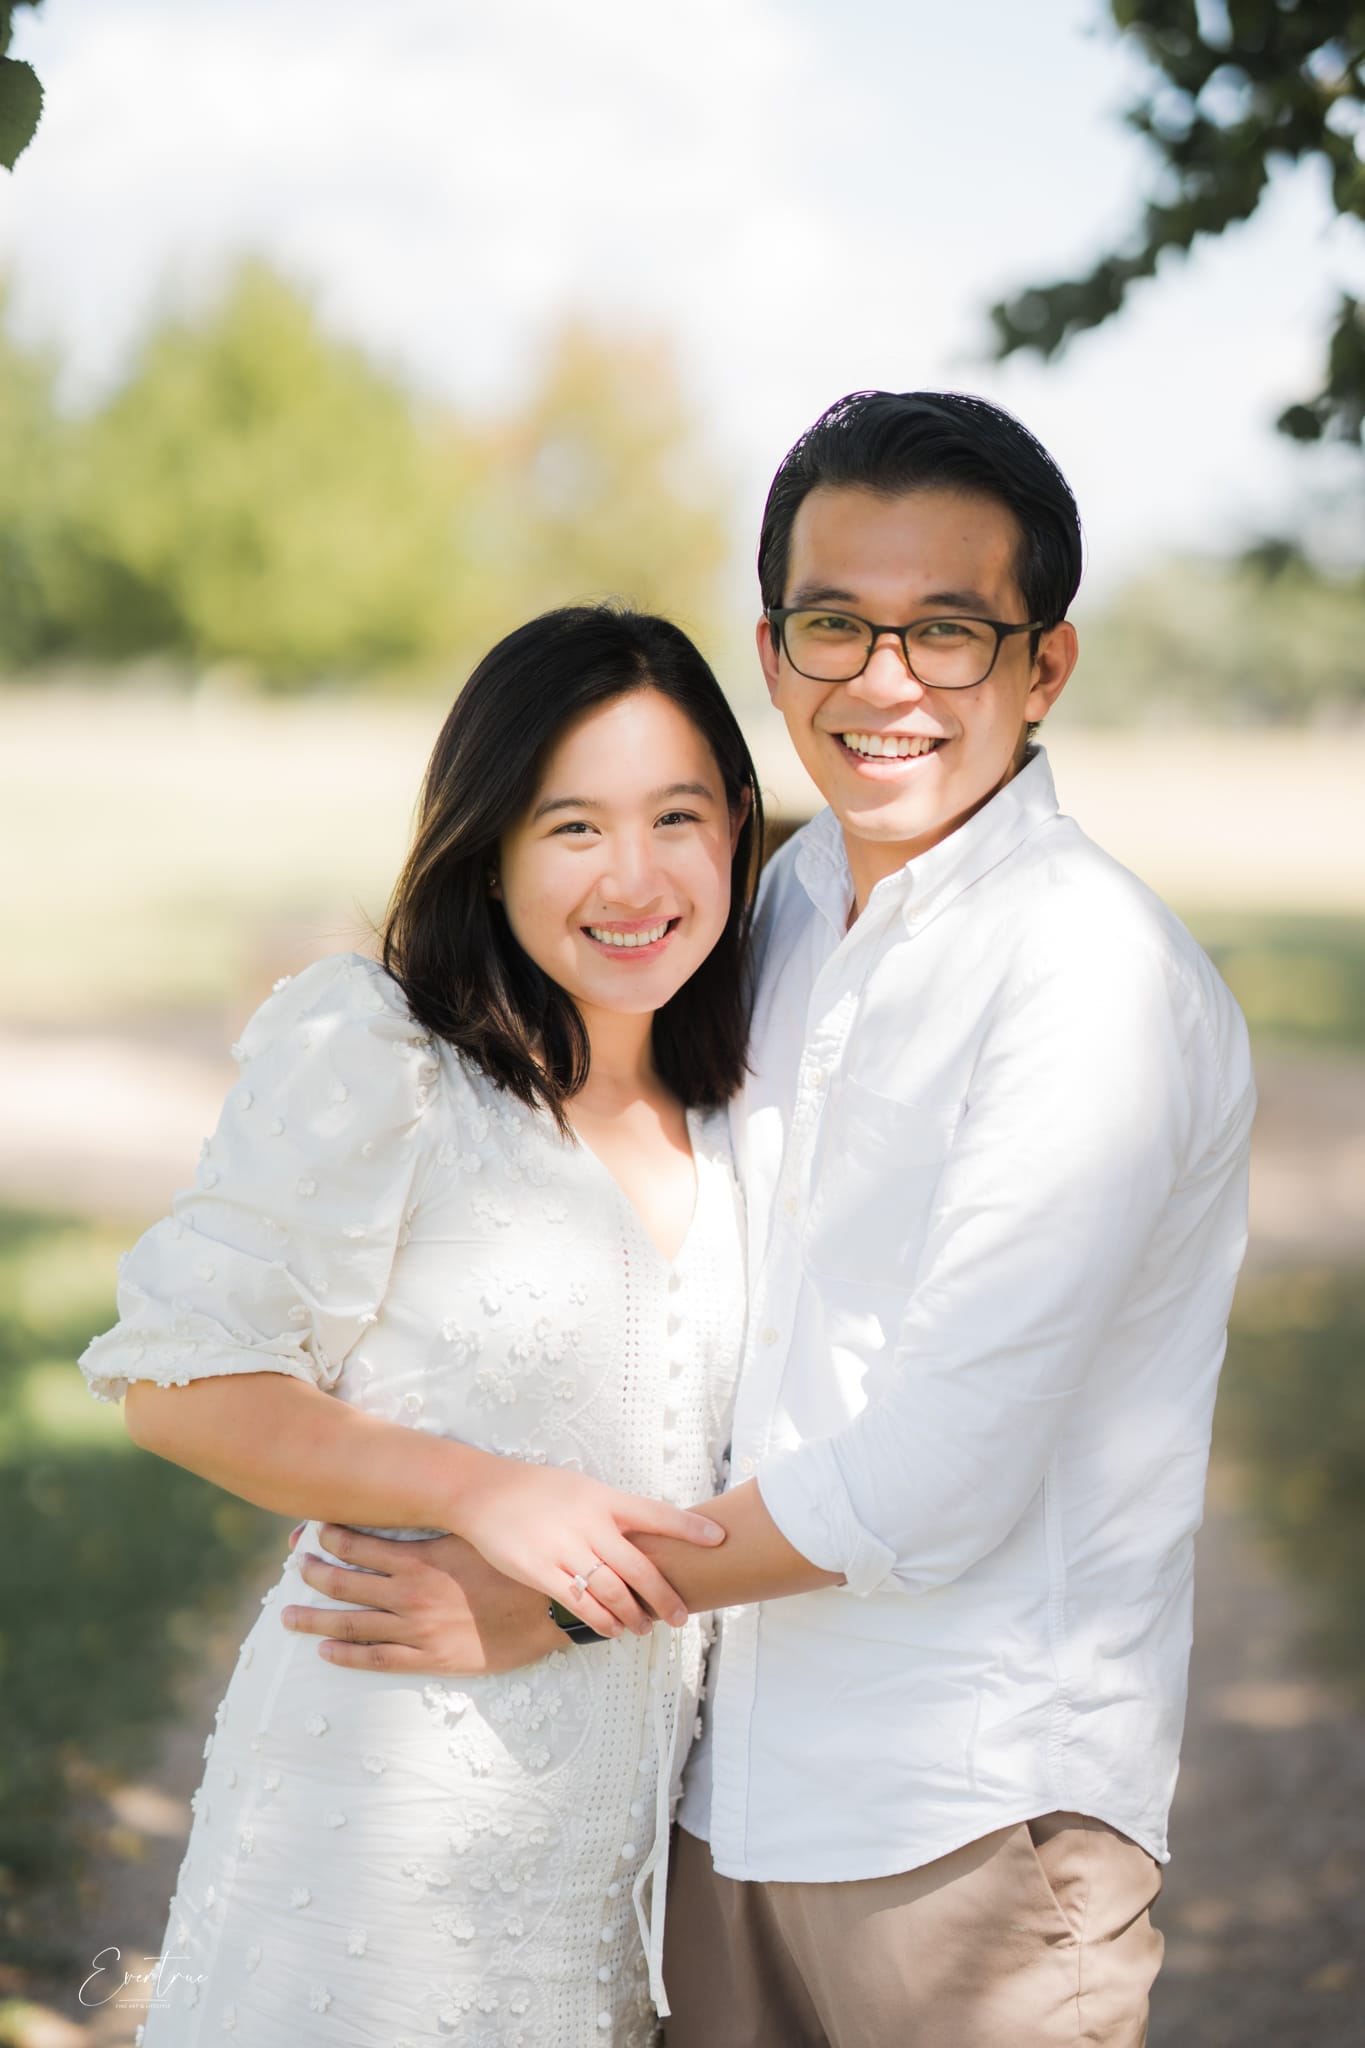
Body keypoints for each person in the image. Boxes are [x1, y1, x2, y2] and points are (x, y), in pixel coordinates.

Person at [296, 391, 1256, 2047]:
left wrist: (556, 1594)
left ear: (1043, 666)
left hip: (961, 1816)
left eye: (946, 631)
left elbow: (942, 1467)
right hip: (719, 1790)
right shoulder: (786, 902)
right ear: (770, 646)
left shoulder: (1085, 976)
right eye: (833, 625)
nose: (882, 682)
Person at [78, 604, 766, 2048]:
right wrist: (479, 1490)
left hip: (616, 1870)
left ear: (737, 831)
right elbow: (185, 1382)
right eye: (572, 826)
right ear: (489, 845)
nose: (633, 877)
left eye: (677, 817)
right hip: (372, 1833)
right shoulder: (384, 1051)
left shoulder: (740, 1110)